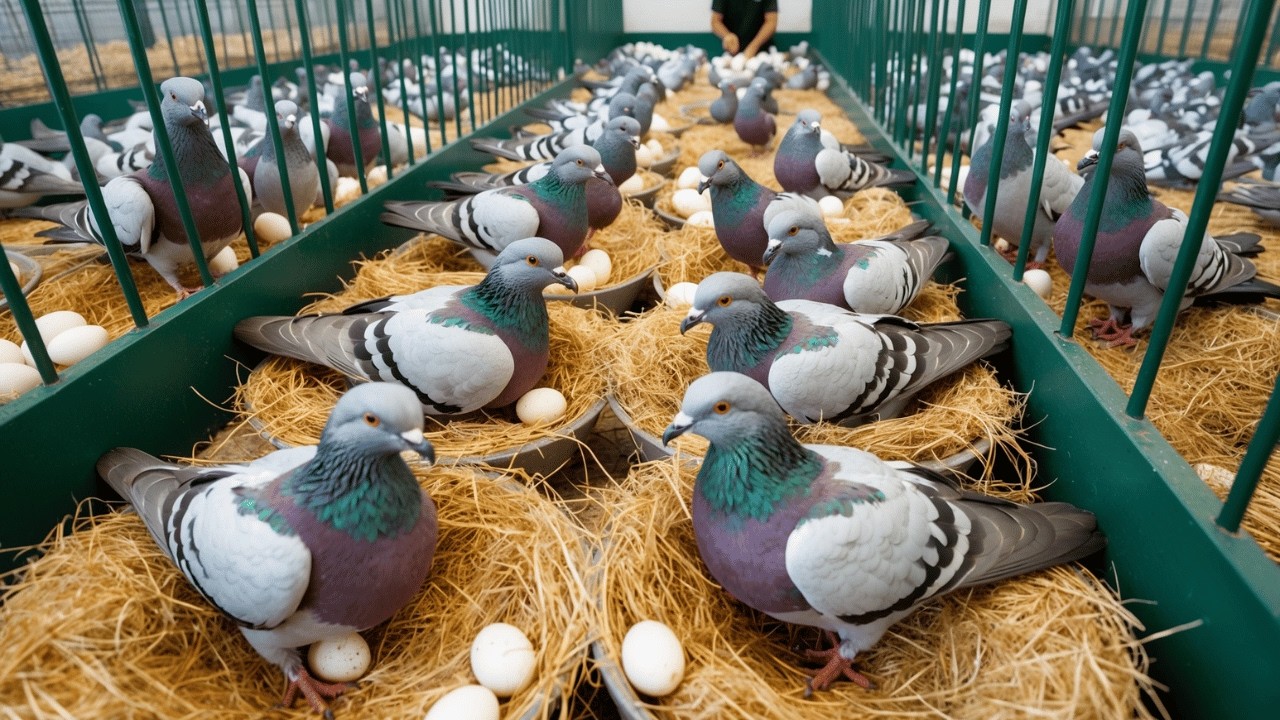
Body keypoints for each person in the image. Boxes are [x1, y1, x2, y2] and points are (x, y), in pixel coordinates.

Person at [711, 0, 778, 59]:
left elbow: (771, 22)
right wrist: (727, 35)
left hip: (763, 51)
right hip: (733, 52)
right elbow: (716, 21)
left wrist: (753, 47)